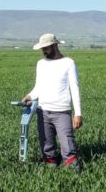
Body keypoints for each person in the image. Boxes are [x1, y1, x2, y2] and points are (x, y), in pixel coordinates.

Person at [22, 33, 83, 170]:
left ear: (55, 45)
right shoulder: (41, 64)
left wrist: (78, 113)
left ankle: (73, 169)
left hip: (62, 112)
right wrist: (30, 96)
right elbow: (39, 87)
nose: (43, 51)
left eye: (46, 48)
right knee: (46, 145)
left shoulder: (68, 63)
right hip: (42, 111)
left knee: (68, 143)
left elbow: (75, 88)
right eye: (42, 48)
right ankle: (51, 168)